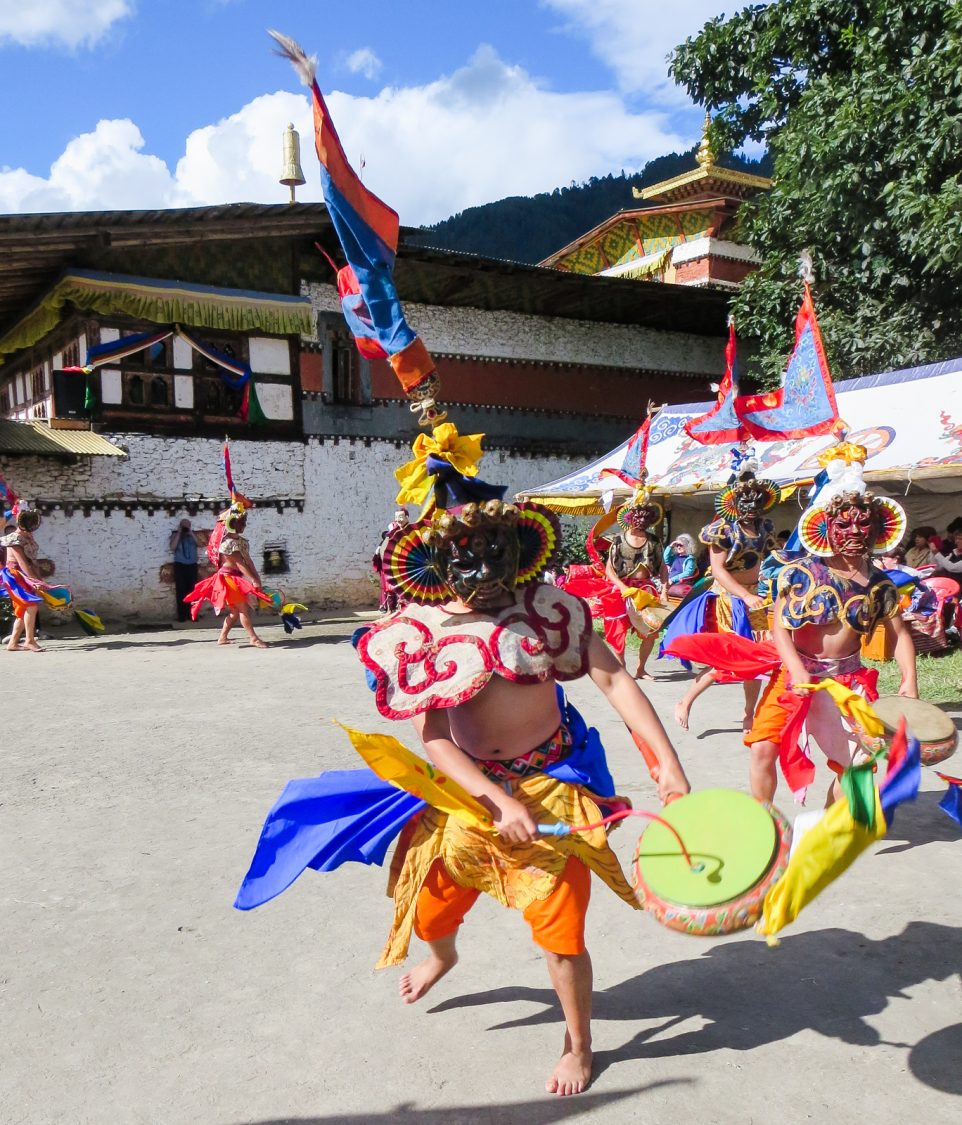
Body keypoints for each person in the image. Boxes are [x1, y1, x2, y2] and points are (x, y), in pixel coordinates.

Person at [356, 493, 689, 1096]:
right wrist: (497, 802)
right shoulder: (422, 634)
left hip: (556, 785)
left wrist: (666, 763)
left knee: (561, 931)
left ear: (522, 549)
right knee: (432, 909)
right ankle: (443, 958)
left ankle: (579, 1044)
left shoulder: (551, 613)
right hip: (472, 796)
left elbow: (613, 677)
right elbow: (434, 739)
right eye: (466, 558)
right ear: (436, 561)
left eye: (496, 553)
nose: (484, 572)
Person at [744, 447, 917, 804]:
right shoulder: (802, 572)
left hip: (847, 680)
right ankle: (762, 822)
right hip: (796, 674)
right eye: (844, 524)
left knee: (862, 760)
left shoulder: (881, 584)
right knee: (763, 749)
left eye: (863, 523)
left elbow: (899, 634)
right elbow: (780, 627)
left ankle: (824, 818)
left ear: (878, 528)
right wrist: (794, 668)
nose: (854, 531)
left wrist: (909, 679)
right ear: (826, 527)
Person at [662, 453, 779, 732]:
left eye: (756, 499)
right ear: (734, 502)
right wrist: (745, 596)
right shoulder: (722, 531)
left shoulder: (765, 528)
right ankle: (686, 701)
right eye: (745, 500)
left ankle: (749, 713)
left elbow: (769, 561)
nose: (751, 505)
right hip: (729, 600)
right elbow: (718, 571)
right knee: (729, 658)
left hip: (756, 598)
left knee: (757, 658)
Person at [184, 496, 272, 647]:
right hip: (228, 580)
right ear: (232, 524)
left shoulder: (240, 542)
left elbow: (248, 561)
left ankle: (222, 637)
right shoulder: (227, 544)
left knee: (235, 612)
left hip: (233, 579)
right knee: (243, 609)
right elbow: (239, 563)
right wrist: (253, 579)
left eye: (244, 521)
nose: (244, 524)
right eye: (240, 521)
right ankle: (253, 638)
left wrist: (256, 577)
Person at [0, 506, 47, 653]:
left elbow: (33, 561)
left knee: (24, 609)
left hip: (25, 575)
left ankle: (13, 642)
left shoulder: (27, 538)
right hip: (16, 575)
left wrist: (40, 579)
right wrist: (35, 580)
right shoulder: (14, 538)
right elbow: (22, 563)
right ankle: (29, 640)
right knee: (30, 606)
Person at [372, 508, 411, 613]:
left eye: (401, 517)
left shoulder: (411, 531)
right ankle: (391, 610)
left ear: (407, 517)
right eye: (396, 517)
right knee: (392, 588)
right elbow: (384, 549)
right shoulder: (392, 534)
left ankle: (406, 609)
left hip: (407, 564)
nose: (399, 520)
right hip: (393, 564)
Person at [169, 519, 201, 622]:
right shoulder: (175, 535)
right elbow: (172, 547)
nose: (185, 527)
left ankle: (192, 614)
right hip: (180, 565)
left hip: (192, 565)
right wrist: (179, 533)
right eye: (184, 526)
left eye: (187, 525)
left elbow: (199, 544)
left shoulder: (192, 536)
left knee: (193, 590)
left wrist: (190, 532)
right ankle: (182, 616)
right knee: (181, 591)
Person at [664, 533, 698, 597]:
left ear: (687, 546)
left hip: (679, 583)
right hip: (669, 581)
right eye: (677, 545)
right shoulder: (676, 557)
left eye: (681, 545)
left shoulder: (690, 559)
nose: (678, 547)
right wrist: (670, 546)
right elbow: (665, 559)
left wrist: (672, 580)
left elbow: (688, 573)